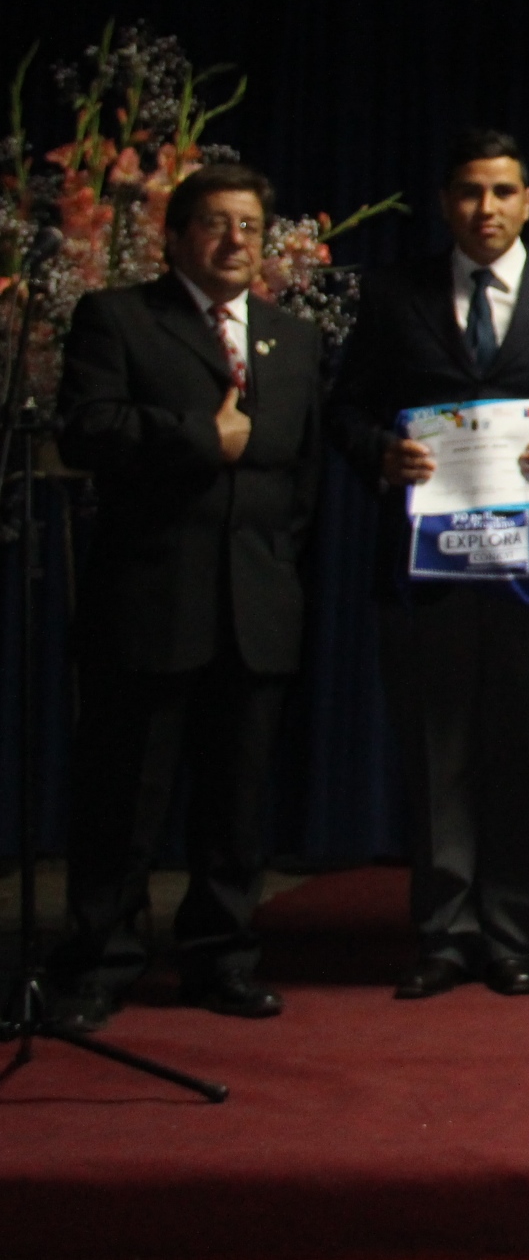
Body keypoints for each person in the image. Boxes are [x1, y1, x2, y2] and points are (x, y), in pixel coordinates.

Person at [329, 130, 529, 1000]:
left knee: (520, 758)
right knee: (436, 758)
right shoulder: (393, 294)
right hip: (426, 575)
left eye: (502, 191)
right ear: (445, 201)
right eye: (469, 191)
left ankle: (509, 932)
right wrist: (379, 454)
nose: (485, 208)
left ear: (528, 201)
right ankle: (441, 932)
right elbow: (347, 410)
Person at [48, 164, 324, 1031]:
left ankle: (221, 958)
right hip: (149, 604)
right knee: (124, 803)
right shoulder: (121, 318)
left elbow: (301, 480)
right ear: (175, 238)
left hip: (257, 607)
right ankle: (98, 963)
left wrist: (276, 566)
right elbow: (85, 428)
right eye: (213, 223)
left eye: (248, 225)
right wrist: (195, 437)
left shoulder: (293, 338)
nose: (234, 240)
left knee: (236, 806)